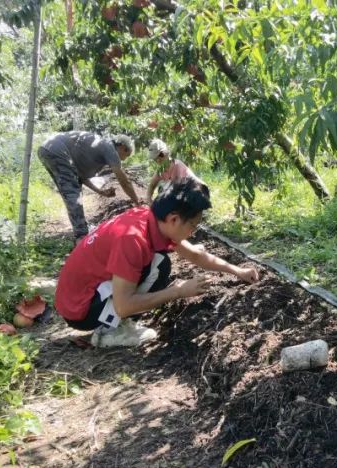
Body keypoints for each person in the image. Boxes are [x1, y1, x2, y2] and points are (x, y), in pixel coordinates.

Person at [53, 178, 259, 347]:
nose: (193, 232)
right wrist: (178, 291)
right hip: (80, 310)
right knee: (160, 265)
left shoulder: (149, 219)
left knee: (159, 262)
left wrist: (237, 271)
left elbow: (195, 256)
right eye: (193, 225)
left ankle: (111, 323)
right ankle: (110, 332)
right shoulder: (132, 239)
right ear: (174, 219)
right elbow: (124, 306)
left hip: (80, 296)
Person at [38, 131, 144, 239]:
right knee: (72, 193)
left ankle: (81, 229)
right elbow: (124, 182)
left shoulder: (100, 147)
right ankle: (82, 236)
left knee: (72, 189)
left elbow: (80, 178)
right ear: (122, 147)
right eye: (126, 155)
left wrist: (100, 192)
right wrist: (137, 202)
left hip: (47, 149)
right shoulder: (109, 148)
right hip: (56, 150)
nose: (123, 159)